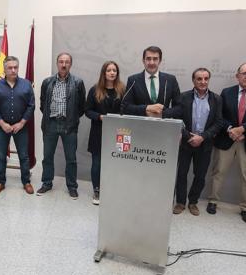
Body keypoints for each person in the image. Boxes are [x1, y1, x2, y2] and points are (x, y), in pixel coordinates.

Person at [206, 62, 246, 223]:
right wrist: (230, 129)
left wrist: (242, 129)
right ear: (237, 76)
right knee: (218, 172)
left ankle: (245, 208)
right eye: (244, 73)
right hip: (226, 139)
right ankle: (213, 201)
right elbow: (219, 115)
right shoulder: (226, 92)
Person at [172, 68, 223, 216]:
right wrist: (188, 137)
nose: (203, 82)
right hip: (186, 143)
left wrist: (202, 137)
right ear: (193, 80)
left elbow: (219, 122)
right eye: (199, 79)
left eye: (206, 78)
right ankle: (180, 202)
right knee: (182, 173)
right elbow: (177, 119)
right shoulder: (183, 97)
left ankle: (193, 202)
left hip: (205, 144)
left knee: (200, 176)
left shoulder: (217, 99)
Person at [36, 52, 86, 199]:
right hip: (50, 123)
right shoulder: (47, 82)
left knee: (71, 158)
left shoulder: (78, 82)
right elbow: (43, 104)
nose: (64, 65)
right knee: (47, 157)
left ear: (70, 64)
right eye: (61, 62)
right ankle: (46, 183)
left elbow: (81, 106)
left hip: (69, 125)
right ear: (57, 63)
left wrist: (72, 119)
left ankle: (72, 186)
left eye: (67, 62)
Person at [0, 55, 35, 195]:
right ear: (5, 69)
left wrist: (21, 123)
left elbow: (31, 105)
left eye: (15, 67)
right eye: (10, 67)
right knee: (1, 156)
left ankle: (26, 182)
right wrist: (2, 124)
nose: (13, 70)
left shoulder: (26, 84)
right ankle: (0, 182)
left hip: (21, 127)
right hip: (3, 127)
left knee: (23, 156)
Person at [84, 61, 125, 205]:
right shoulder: (95, 90)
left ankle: (112, 189)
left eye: (114, 70)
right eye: (109, 70)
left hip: (119, 133)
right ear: (104, 73)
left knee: (116, 162)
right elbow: (87, 111)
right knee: (97, 163)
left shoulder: (123, 89)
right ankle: (97, 190)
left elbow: (128, 109)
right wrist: (99, 117)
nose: (112, 73)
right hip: (99, 131)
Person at [123, 46, 181, 118]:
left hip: (163, 126)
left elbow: (179, 108)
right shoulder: (133, 80)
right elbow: (125, 107)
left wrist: (162, 114)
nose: (151, 62)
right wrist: (147, 108)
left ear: (160, 61)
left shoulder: (170, 80)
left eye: (155, 59)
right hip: (139, 126)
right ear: (143, 60)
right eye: (148, 59)